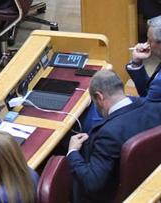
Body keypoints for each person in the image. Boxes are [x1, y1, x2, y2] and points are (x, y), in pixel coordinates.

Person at [67, 70, 159, 200]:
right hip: (148, 179)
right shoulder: (154, 108)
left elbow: (92, 182)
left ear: (99, 97)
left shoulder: (108, 134)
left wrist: (73, 152)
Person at [127, 15, 161, 101]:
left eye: (150, 40)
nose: (147, 44)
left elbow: (147, 108)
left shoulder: (159, 83)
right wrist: (136, 63)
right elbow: (147, 91)